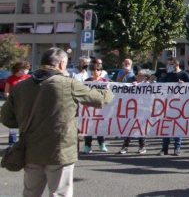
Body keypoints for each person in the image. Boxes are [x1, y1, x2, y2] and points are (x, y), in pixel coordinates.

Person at [1, 47, 112, 196]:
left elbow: (6, 119)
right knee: (60, 193)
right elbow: (100, 100)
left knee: (30, 193)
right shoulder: (69, 83)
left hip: (30, 149)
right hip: (60, 150)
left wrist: (26, 121)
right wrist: (109, 90)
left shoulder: (20, 86)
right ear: (61, 64)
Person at [158, 57, 189, 156]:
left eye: (170, 64)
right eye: (167, 64)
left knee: (178, 126)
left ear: (176, 65)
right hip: (167, 104)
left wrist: (184, 85)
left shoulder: (184, 74)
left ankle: (177, 148)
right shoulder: (167, 75)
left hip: (179, 105)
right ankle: (164, 148)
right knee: (166, 126)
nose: (167, 66)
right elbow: (160, 85)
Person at [117, 69, 152, 155]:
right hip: (134, 109)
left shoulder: (150, 85)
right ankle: (125, 146)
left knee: (141, 128)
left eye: (140, 75)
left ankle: (142, 146)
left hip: (144, 109)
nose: (137, 77)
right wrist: (132, 87)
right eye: (137, 75)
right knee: (130, 127)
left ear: (145, 77)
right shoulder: (134, 84)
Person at [82, 61, 109, 153]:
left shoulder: (105, 82)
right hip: (89, 108)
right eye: (93, 70)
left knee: (100, 127)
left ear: (101, 71)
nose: (95, 71)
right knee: (88, 128)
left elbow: (109, 94)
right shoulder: (87, 81)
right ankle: (87, 145)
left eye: (98, 70)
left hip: (100, 108)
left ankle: (102, 144)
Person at [3, 61, 31, 146]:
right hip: (14, 104)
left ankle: (25, 142)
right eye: (24, 69)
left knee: (26, 123)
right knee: (13, 124)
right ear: (18, 69)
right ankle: (12, 144)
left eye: (27, 69)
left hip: (26, 104)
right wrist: (10, 99)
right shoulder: (10, 79)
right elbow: (6, 92)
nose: (26, 71)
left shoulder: (28, 78)